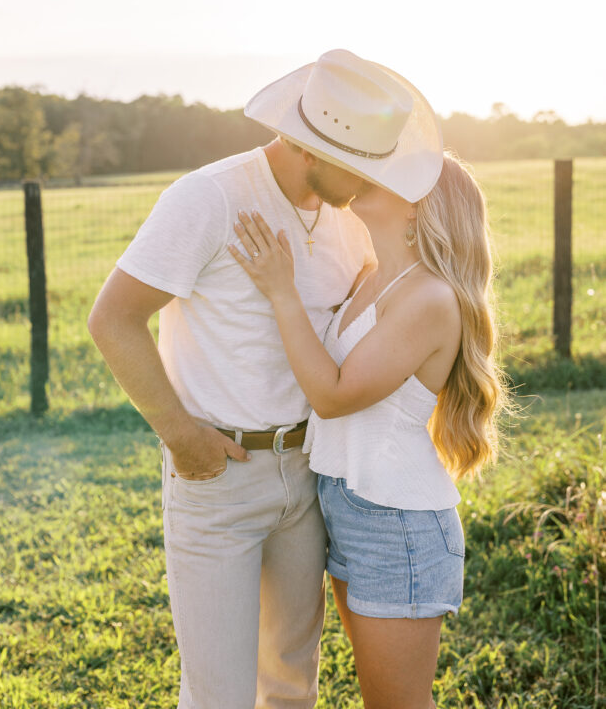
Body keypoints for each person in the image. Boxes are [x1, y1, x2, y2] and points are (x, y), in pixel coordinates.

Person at [88, 49, 403, 709]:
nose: (376, 180)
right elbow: (113, 320)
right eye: (363, 164)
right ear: (310, 146)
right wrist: (182, 437)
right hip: (219, 477)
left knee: (291, 681)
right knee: (219, 696)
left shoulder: (349, 219)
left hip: (308, 477)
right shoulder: (211, 195)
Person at [229, 89, 508, 706]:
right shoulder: (376, 274)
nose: (370, 176)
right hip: (349, 505)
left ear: (419, 209)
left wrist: (280, 291)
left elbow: (331, 395)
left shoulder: (430, 300)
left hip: (397, 523)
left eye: (394, 175)